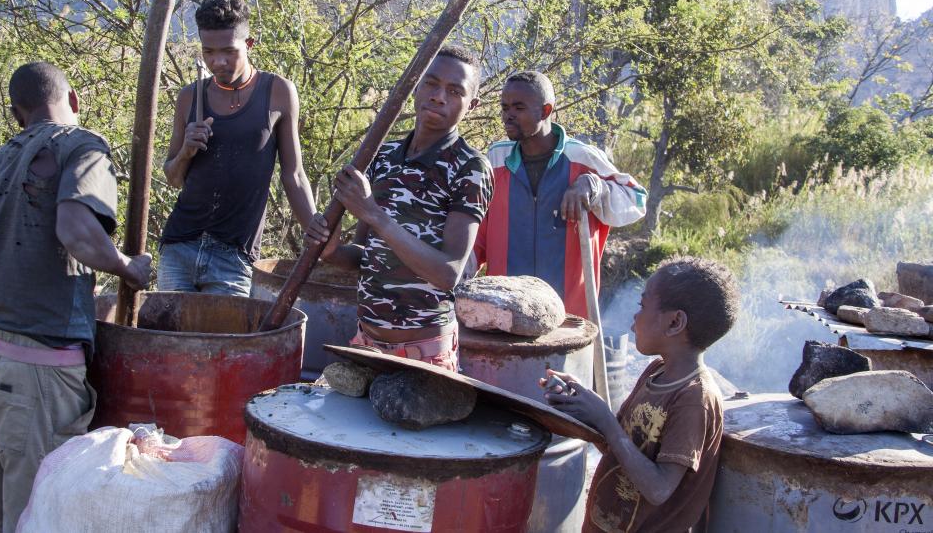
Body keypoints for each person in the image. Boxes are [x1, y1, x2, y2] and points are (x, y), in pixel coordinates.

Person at [0, 62, 153, 533]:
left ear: (17, 114)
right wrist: (126, 267)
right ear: (73, 99)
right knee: (40, 514)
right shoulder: (82, 147)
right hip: (38, 369)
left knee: (1, 514)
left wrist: (16, 281)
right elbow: (75, 229)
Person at [306, 46, 493, 371]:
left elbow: (448, 273)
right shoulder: (384, 155)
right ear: (416, 87)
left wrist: (374, 214)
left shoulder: (470, 167)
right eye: (431, 84)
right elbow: (365, 255)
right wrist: (331, 249)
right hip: (367, 342)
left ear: (472, 105)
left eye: (454, 91)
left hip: (425, 353)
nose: (438, 97)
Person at [542, 257, 740, 533]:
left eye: (642, 306)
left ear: (674, 322)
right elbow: (620, 447)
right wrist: (585, 404)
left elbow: (659, 489)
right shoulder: (656, 372)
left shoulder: (695, 400)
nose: (635, 317)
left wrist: (605, 420)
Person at [159, 0, 316, 295]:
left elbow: (293, 175)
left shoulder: (278, 91)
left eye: (229, 51)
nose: (218, 61)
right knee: (173, 342)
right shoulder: (190, 97)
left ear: (249, 44)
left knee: (225, 343)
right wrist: (186, 152)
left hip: (235, 258)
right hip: (179, 248)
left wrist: (318, 234)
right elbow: (173, 177)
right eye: (208, 52)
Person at [472, 70, 646, 316]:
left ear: (545, 111)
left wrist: (595, 186)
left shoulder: (581, 157)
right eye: (505, 107)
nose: (508, 116)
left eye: (518, 108)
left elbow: (637, 200)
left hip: (570, 318)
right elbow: (476, 234)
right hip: (505, 313)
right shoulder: (496, 160)